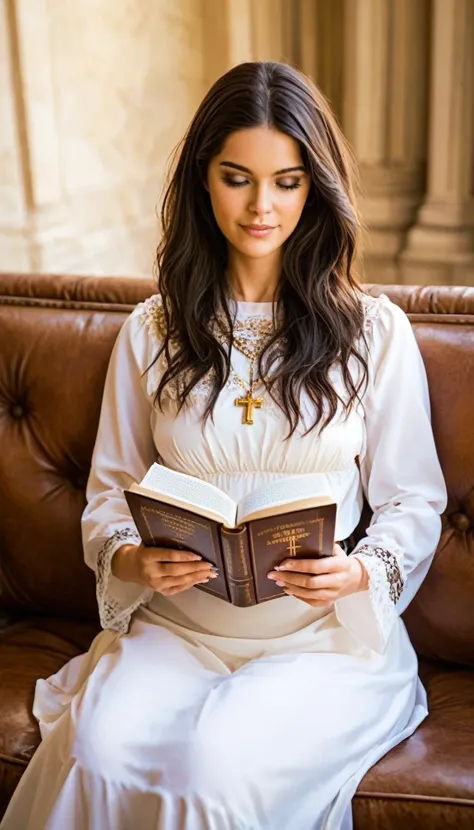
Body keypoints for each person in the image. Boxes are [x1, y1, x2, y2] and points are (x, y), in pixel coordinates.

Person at [1, 61, 446, 830]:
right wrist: (133, 559)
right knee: (98, 754)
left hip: (319, 644)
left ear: (317, 188)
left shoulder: (375, 333)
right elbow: (110, 490)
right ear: (203, 180)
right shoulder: (152, 332)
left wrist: (359, 571)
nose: (262, 206)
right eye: (237, 177)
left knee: (208, 769)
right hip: (178, 629)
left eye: (287, 181)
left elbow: (415, 499)